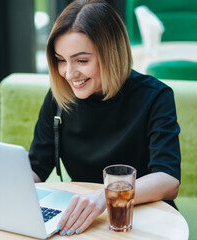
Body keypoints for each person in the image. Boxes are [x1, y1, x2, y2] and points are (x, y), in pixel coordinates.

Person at [29, 0, 181, 236]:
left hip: (141, 217)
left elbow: (168, 180)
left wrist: (106, 195)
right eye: (61, 60)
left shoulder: (155, 97)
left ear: (111, 54)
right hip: (86, 221)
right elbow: (36, 168)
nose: (69, 73)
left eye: (81, 60)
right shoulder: (59, 98)